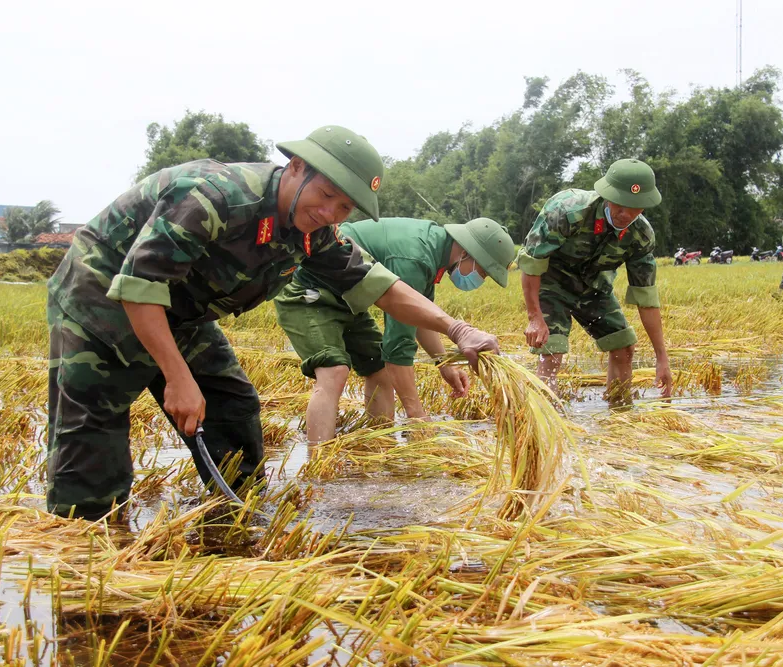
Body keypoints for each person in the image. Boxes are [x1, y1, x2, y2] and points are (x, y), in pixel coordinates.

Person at [44, 125, 499, 520]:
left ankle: (237, 515)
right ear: (297, 168)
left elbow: (381, 286)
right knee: (93, 438)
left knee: (233, 406)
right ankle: (83, 554)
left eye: (344, 209)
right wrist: (177, 377)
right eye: (326, 195)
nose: (329, 214)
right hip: (101, 295)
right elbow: (140, 287)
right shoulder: (214, 195)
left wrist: (455, 329)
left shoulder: (315, 234)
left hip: (183, 311)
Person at [275, 217, 515, 442]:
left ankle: (379, 444)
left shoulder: (433, 250)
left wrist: (444, 364)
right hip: (308, 288)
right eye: (482, 271)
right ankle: (320, 466)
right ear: (465, 252)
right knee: (334, 370)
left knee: (378, 370)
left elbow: (419, 316)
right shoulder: (415, 257)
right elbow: (398, 349)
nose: (479, 278)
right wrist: (417, 415)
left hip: (348, 297)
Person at [518, 158, 673, 404]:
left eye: (634, 207)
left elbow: (646, 298)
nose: (625, 213)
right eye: (619, 204)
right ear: (607, 196)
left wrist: (661, 357)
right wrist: (535, 318)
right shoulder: (568, 211)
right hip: (551, 282)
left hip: (594, 287)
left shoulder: (640, 236)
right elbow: (531, 263)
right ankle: (545, 418)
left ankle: (619, 414)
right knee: (552, 351)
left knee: (623, 345)